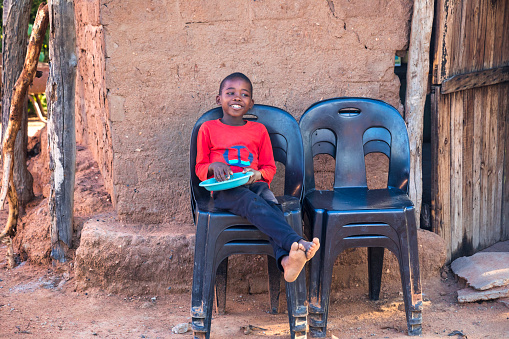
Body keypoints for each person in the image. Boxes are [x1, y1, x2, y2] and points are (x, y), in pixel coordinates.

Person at [195, 72, 320, 282]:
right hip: (225, 189)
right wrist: (214, 166)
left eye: (244, 94)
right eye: (230, 93)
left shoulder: (259, 130)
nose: (237, 98)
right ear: (219, 99)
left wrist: (257, 174)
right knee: (253, 202)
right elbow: (199, 169)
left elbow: (270, 168)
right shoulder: (208, 129)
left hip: (255, 185)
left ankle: (286, 261)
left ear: (251, 103)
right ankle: (295, 242)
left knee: (269, 203)